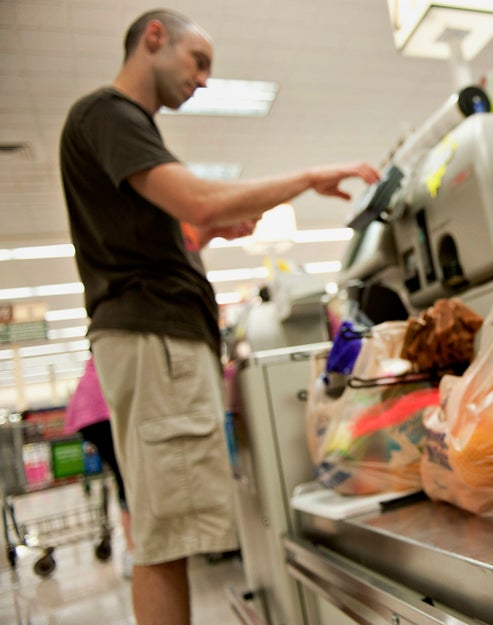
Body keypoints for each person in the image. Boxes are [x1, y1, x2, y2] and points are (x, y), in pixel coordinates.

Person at [58, 9, 381, 625]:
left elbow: (168, 233)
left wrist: (204, 233)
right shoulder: (110, 113)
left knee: (165, 531)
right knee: (165, 538)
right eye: (197, 61)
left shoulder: (125, 131)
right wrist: (310, 177)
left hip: (160, 338)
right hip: (156, 342)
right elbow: (197, 197)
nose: (203, 79)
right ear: (154, 37)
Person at [64, 356, 136, 579]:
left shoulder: (103, 347)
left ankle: (133, 549)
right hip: (99, 413)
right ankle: (134, 551)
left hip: (89, 415)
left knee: (124, 475)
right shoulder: (120, 342)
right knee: (127, 475)